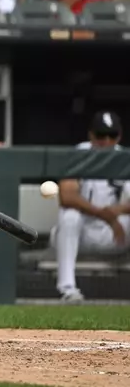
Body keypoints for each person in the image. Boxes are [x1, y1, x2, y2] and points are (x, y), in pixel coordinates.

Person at [51, 110, 130, 303]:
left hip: (115, 235)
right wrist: (107, 216)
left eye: (112, 136)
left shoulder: (125, 157)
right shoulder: (80, 153)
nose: (106, 141)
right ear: (91, 135)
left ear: (119, 136)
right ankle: (68, 290)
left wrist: (115, 214)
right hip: (81, 233)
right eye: (101, 135)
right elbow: (67, 196)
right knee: (70, 216)